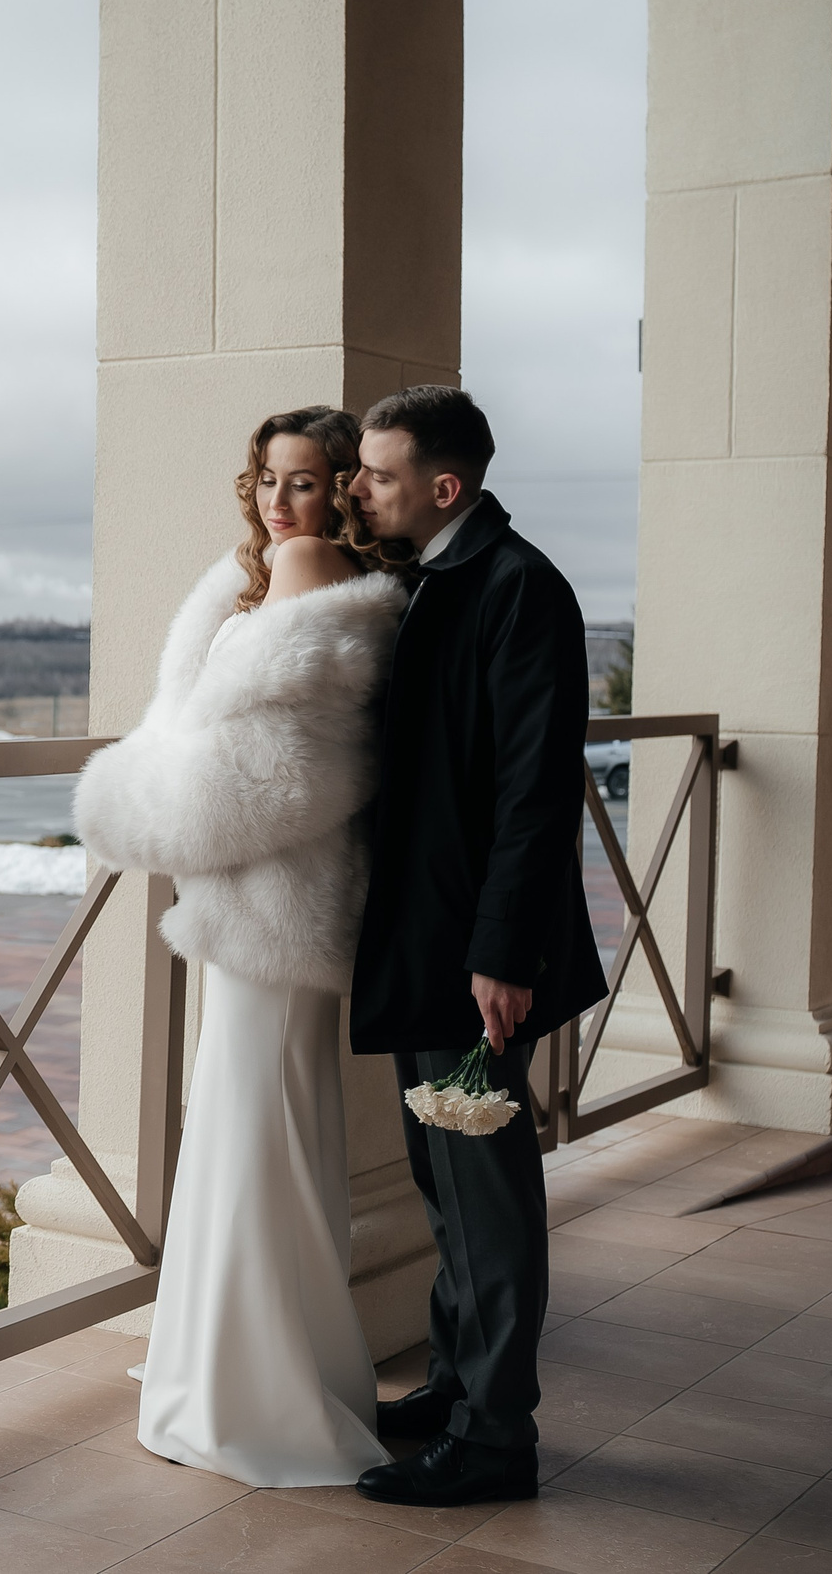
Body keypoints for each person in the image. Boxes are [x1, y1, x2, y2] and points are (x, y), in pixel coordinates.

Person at [72, 405, 410, 1487]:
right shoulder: (268, 578)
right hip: (271, 905)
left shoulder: (304, 568)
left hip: (270, 902)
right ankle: (252, 1371)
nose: (279, 501)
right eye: (267, 477)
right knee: (264, 1130)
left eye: (305, 481)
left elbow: (271, 775)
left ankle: (245, 1393)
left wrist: (131, 808)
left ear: (342, 491)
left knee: (251, 1129)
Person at [344, 385, 606, 1507]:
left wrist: (503, 955)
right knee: (445, 1182)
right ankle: (457, 1386)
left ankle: (496, 1439)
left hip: (478, 957)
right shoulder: (437, 577)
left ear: (443, 486)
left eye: (379, 473)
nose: (359, 488)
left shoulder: (518, 587)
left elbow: (535, 791)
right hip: (432, 940)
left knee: (486, 1196)